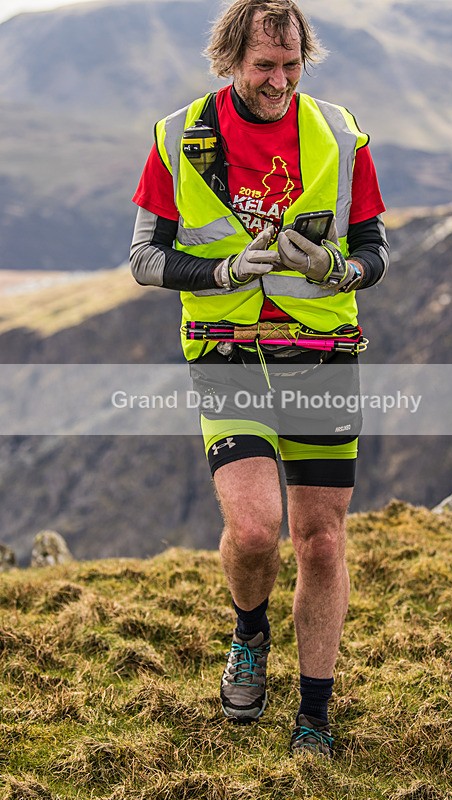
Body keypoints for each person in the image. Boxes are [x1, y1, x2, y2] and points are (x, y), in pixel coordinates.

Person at [130, 0, 389, 757]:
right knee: (252, 529)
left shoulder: (339, 134)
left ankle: (314, 716)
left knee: (319, 541)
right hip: (226, 347)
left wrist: (334, 265)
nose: (278, 82)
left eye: (290, 65)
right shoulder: (180, 136)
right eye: (261, 68)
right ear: (229, 62)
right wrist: (219, 269)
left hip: (321, 349)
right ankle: (249, 632)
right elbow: (145, 260)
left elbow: (375, 253)